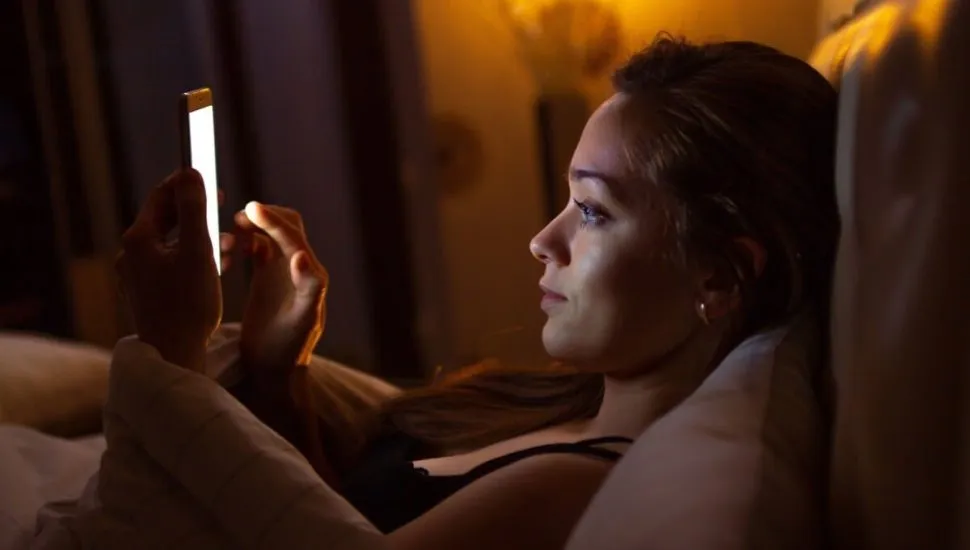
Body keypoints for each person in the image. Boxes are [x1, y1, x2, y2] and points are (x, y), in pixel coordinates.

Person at [116, 34, 839, 550]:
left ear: (719, 276)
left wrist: (171, 344)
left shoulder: (573, 489)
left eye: (592, 211)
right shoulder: (550, 402)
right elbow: (329, 513)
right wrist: (280, 370)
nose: (543, 240)